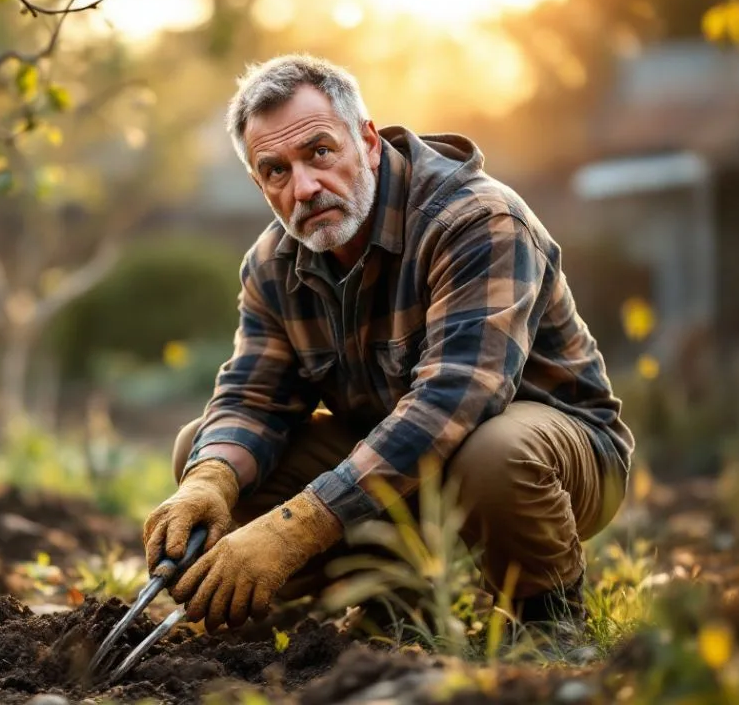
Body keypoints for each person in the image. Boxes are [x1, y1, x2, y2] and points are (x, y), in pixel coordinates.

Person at [141, 53, 635, 655]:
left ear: (368, 141)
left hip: (546, 465)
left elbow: (453, 403)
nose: (303, 187)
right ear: (259, 184)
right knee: (202, 449)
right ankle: (397, 598)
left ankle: (547, 619)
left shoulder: (477, 220)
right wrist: (209, 481)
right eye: (275, 170)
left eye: (320, 152)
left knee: (493, 452)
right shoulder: (271, 265)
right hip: (401, 471)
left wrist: (296, 529)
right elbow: (253, 397)